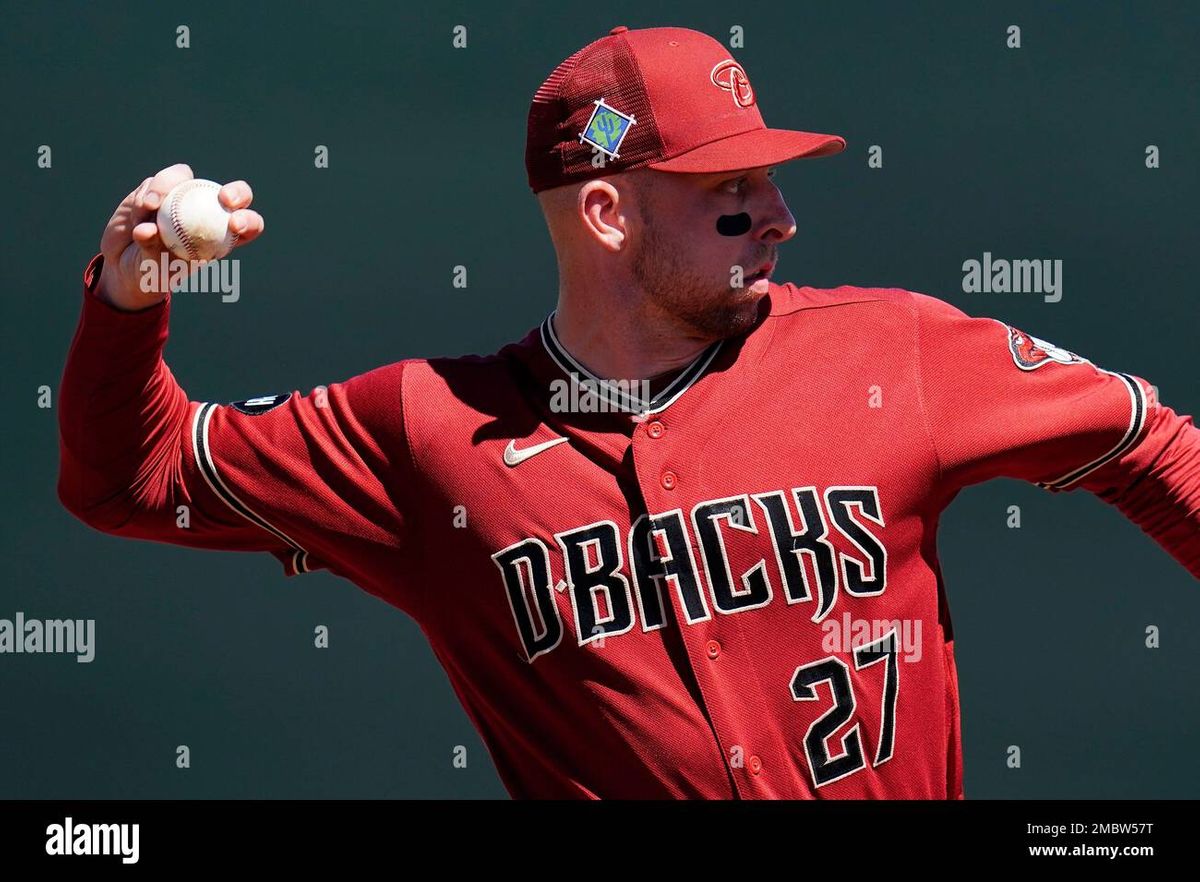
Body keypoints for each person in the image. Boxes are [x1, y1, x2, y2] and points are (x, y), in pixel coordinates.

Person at [58, 25, 1200, 799]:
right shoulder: (428, 432)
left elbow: (1148, 444)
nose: (780, 216)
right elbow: (129, 476)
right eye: (731, 192)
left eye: (769, 180)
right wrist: (128, 297)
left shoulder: (888, 349)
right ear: (606, 212)